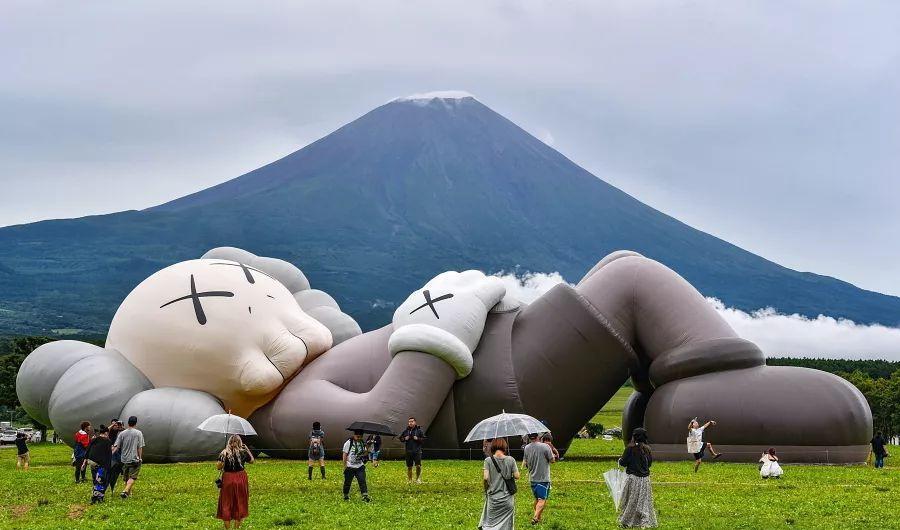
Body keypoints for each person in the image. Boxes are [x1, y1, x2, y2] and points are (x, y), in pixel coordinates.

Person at [617, 427, 657, 528]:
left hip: (633, 479)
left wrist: (620, 460)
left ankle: (626, 521)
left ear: (634, 437)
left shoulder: (630, 448)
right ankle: (643, 521)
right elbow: (649, 464)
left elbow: (623, 463)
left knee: (631, 500)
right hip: (645, 480)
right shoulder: (648, 449)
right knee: (644, 501)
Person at [480, 437, 519, 530]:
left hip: (493, 499)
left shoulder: (488, 461)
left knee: (490, 525)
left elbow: (485, 478)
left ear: (493, 446)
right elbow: (517, 476)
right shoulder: (511, 459)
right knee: (507, 526)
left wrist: (486, 489)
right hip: (508, 499)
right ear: (504, 446)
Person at [217, 434, 254, 529]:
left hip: (228, 478)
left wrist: (223, 457)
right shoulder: (243, 452)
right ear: (239, 442)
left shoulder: (224, 452)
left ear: (229, 442)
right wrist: (247, 450)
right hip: (241, 478)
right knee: (240, 502)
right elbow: (252, 461)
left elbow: (218, 467)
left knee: (226, 502)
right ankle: (236, 528)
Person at [523, 432, 554, 525]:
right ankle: (535, 517)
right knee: (542, 500)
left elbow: (526, 463)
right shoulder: (545, 446)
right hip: (543, 479)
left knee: (537, 499)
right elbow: (552, 460)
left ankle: (539, 519)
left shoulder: (526, 448)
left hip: (532, 478)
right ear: (538, 436)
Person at [112, 416, 144, 499]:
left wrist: (110, 454)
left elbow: (116, 446)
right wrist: (140, 457)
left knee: (126, 478)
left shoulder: (122, 433)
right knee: (132, 477)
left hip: (124, 459)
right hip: (134, 458)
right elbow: (139, 447)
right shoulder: (138, 433)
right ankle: (125, 491)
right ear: (136, 423)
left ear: (128, 422)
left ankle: (128, 493)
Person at [86, 425, 113, 503]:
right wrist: (108, 465)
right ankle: (98, 497)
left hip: (92, 462)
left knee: (95, 479)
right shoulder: (107, 441)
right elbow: (109, 454)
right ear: (106, 433)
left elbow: (88, 450)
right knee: (101, 480)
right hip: (102, 464)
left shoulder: (94, 439)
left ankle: (95, 496)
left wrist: (85, 462)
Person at [342, 429, 370, 502]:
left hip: (359, 466)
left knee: (362, 481)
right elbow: (345, 454)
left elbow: (365, 453)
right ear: (354, 435)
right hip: (350, 466)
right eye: (357, 437)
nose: (359, 438)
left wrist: (368, 448)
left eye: (360, 437)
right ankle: (346, 495)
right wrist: (344, 466)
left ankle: (365, 495)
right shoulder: (349, 443)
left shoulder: (362, 443)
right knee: (348, 482)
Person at [399, 417, 426, 484]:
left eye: (412, 421)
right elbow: (400, 438)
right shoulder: (406, 431)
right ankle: (410, 480)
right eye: (409, 422)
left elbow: (424, 440)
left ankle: (417, 479)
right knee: (409, 467)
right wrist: (405, 438)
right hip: (408, 451)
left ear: (415, 422)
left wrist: (418, 439)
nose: (410, 423)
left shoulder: (419, 431)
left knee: (418, 466)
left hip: (417, 451)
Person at [107, 419, 125, 493]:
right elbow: (106, 429)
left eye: (117, 425)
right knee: (114, 464)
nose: (116, 426)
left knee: (120, 462)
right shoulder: (111, 431)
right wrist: (113, 425)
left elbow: (126, 430)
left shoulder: (120, 431)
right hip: (112, 450)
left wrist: (121, 426)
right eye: (114, 425)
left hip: (119, 450)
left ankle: (120, 472)